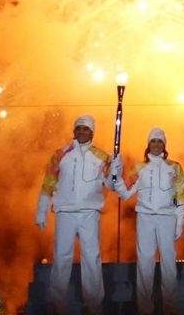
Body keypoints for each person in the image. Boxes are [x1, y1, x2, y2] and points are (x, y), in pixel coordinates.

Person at [35, 115, 114, 314]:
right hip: (65, 211)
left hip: (89, 212)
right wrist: (42, 210)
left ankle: (94, 304)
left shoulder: (102, 157)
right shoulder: (61, 154)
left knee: (92, 257)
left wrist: (115, 170)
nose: (81, 132)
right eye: (78, 128)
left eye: (85, 129)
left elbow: (111, 184)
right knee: (62, 256)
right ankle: (57, 303)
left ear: (92, 132)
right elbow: (49, 182)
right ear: (74, 131)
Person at [111, 128, 184, 315]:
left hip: (167, 218)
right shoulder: (139, 168)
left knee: (169, 265)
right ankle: (145, 310)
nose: (156, 145)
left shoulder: (174, 167)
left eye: (160, 141)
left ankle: (170, 310)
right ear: (148, 145)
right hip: (145, 218)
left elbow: (180, 195)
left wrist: (180, 220)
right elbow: (125, 193)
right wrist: (116, 176)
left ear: (164, 145)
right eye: (153, 141)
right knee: (145, 265)